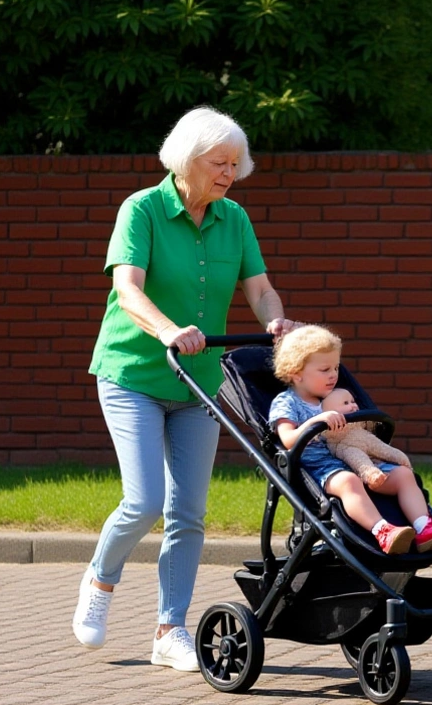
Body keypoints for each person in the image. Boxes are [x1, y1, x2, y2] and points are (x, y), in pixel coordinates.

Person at [74, 107, 299, 672]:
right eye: (218, 162)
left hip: (199, 385)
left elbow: (262, 289)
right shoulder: (142, 210)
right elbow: (127, 290)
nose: (229, 172)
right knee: (144, 499)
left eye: (235, 163)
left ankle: (168, 630)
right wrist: (170, 330)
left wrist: (276, 321)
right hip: (133, 375)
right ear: (186, 159)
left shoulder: (235, 219)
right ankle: (101, 580)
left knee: (188, 512)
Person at [268, 325, 432, 554]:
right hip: (320, 467)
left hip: (359, 460)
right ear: (297, 373)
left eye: (335, 367)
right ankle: (382, 531)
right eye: (325, 369)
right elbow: (289, 439)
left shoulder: (335, 396)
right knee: (349, 482)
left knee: (402, 474)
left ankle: (424, 528)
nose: (333, 375)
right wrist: (318, 420)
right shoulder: (287, 402)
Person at [320, 388, 412, 488]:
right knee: (357, 458)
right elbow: (324, 436)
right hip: (346, 446)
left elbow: (371, 425)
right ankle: (371, 475)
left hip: (366, 439)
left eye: (353, 401)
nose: (353, 405)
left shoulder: (360, 422)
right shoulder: (329, 430)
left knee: (383, 448)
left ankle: (403, 461)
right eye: (346, 403)